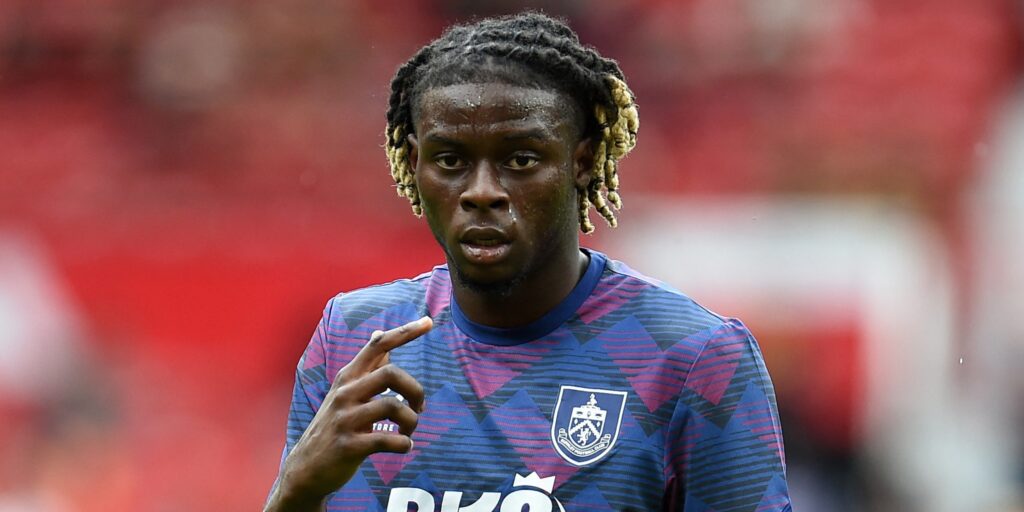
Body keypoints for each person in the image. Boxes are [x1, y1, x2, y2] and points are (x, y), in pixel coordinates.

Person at [265, 12, 791, 512]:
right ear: (414, 161)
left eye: (521, 159)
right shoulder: (353, 338)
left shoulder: (692, 359)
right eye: (451, 161)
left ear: (580, 162)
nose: (482, 192)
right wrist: (294, 492)